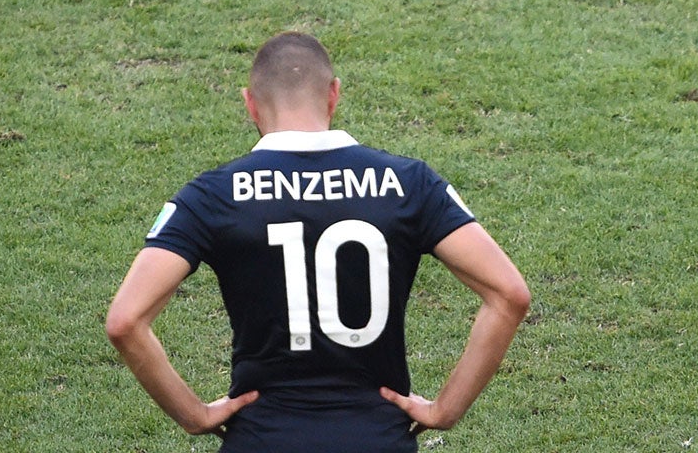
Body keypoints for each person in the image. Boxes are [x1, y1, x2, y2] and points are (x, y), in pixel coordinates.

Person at [105, 33, 531, 451]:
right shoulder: (408, 183)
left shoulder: (213, 195)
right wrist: (445, 410)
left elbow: (125, 321)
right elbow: (509, 294)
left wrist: (193, 414)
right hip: (377, 438)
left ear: (249, 103)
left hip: (262, 438)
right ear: (334, 94)